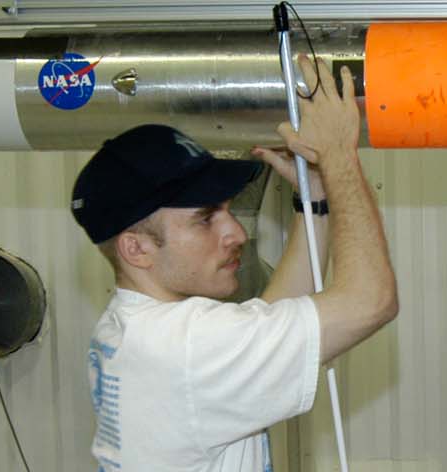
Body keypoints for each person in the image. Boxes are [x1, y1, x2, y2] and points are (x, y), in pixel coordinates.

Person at [75, 58, 398, 471]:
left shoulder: (134, 328)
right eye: (206, 218)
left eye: (227, 211)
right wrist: (339, 159)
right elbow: (371, 301)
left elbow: (268, 318)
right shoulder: (188, 347)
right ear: (136, 249)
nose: (237, 233)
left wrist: (314, 200)